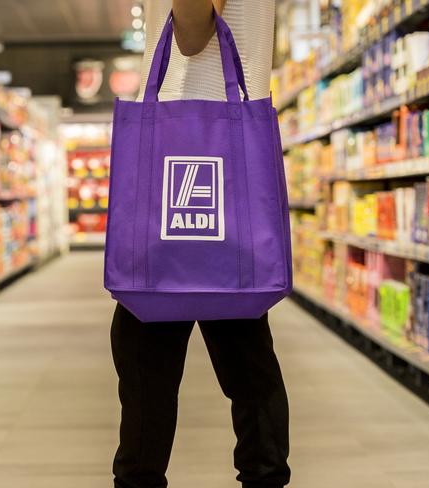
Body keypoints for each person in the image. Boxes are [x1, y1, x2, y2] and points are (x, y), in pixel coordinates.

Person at [111, 1, 290, 487]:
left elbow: (190, 33)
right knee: (251, 369)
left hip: (182, 140)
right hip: (228, 149)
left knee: (146, 369)